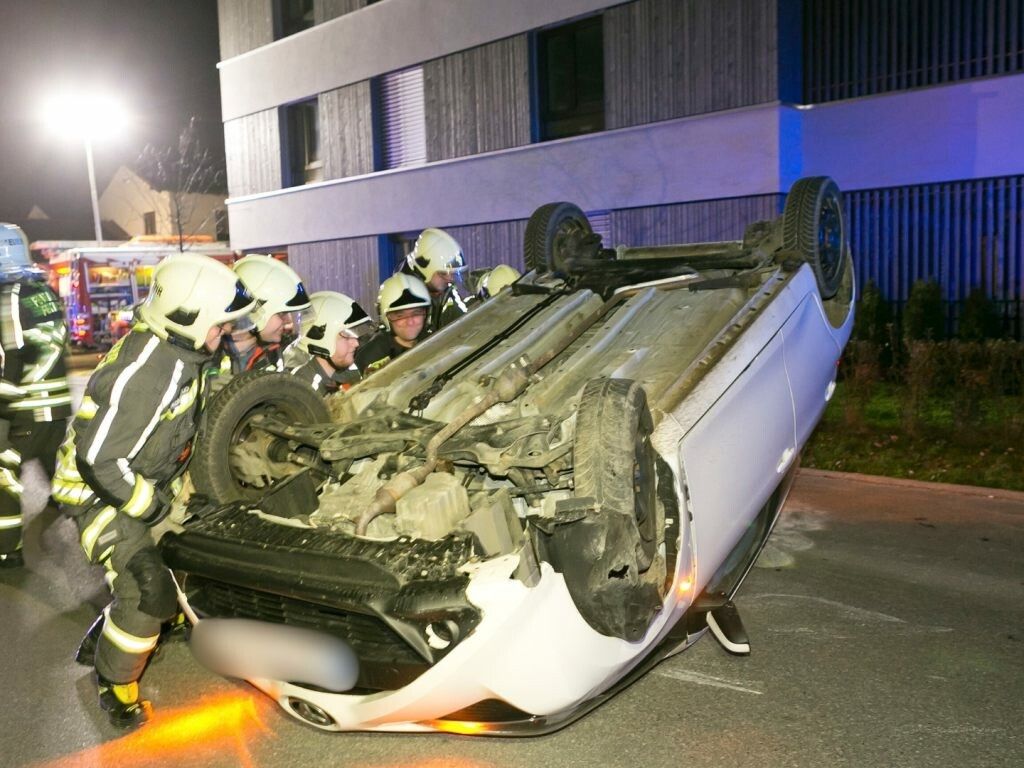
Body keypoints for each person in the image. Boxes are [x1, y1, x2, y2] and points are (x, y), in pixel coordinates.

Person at [51, 252, 254, 728]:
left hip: (137, 477)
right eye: (219, 325)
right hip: (94, 493)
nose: (224, 333)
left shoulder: (183, 353)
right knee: (147, 590)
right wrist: (150, 505)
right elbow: (97, 459)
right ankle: (114, 685)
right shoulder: (151, 368)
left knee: (192, 543)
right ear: (190, 316)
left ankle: (106, 635)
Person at [0, 223, 71, 568]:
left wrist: (2, 408)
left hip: (28, 408)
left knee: (3, 477)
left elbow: (11, 357)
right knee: (53, 472)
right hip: (55, 406)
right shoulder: (41, 291)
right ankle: (70, 517)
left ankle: (7, 550)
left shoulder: (8, 296)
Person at [210, 253, 310, 385]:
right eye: (281, 314)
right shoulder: (207, 354)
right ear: (254, 312)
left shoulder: (287, 357)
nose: (288, 321)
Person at [289, 290, 374, 394]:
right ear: (323, 340)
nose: (356, 343)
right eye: (346, 335)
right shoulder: (302, 388)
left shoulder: (350, 371)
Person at [355, 273, 431, 375]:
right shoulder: (370, 357)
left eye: (416, 313)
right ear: (386, 318)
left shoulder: (435, 341)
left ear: (426, 314)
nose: (410, 321)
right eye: (400, 315)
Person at [402, 228, 469, 330]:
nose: (450, 279)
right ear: (424, 271)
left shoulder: (445, 290)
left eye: (452, 274)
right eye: (443, 273)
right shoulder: (400, 297)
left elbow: (463, 322)